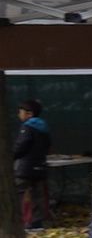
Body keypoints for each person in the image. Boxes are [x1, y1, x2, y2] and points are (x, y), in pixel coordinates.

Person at [11, 95, 49, 228]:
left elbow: (21, 146)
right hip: (40, 166)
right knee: (37, 195)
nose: (18, 115)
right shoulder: (44, 128)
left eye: (20, 112)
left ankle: (23, 221)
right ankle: (37, 223)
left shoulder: (27, 128)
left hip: (25, 168)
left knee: (21, 194)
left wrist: (10, 156)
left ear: (29, 114)